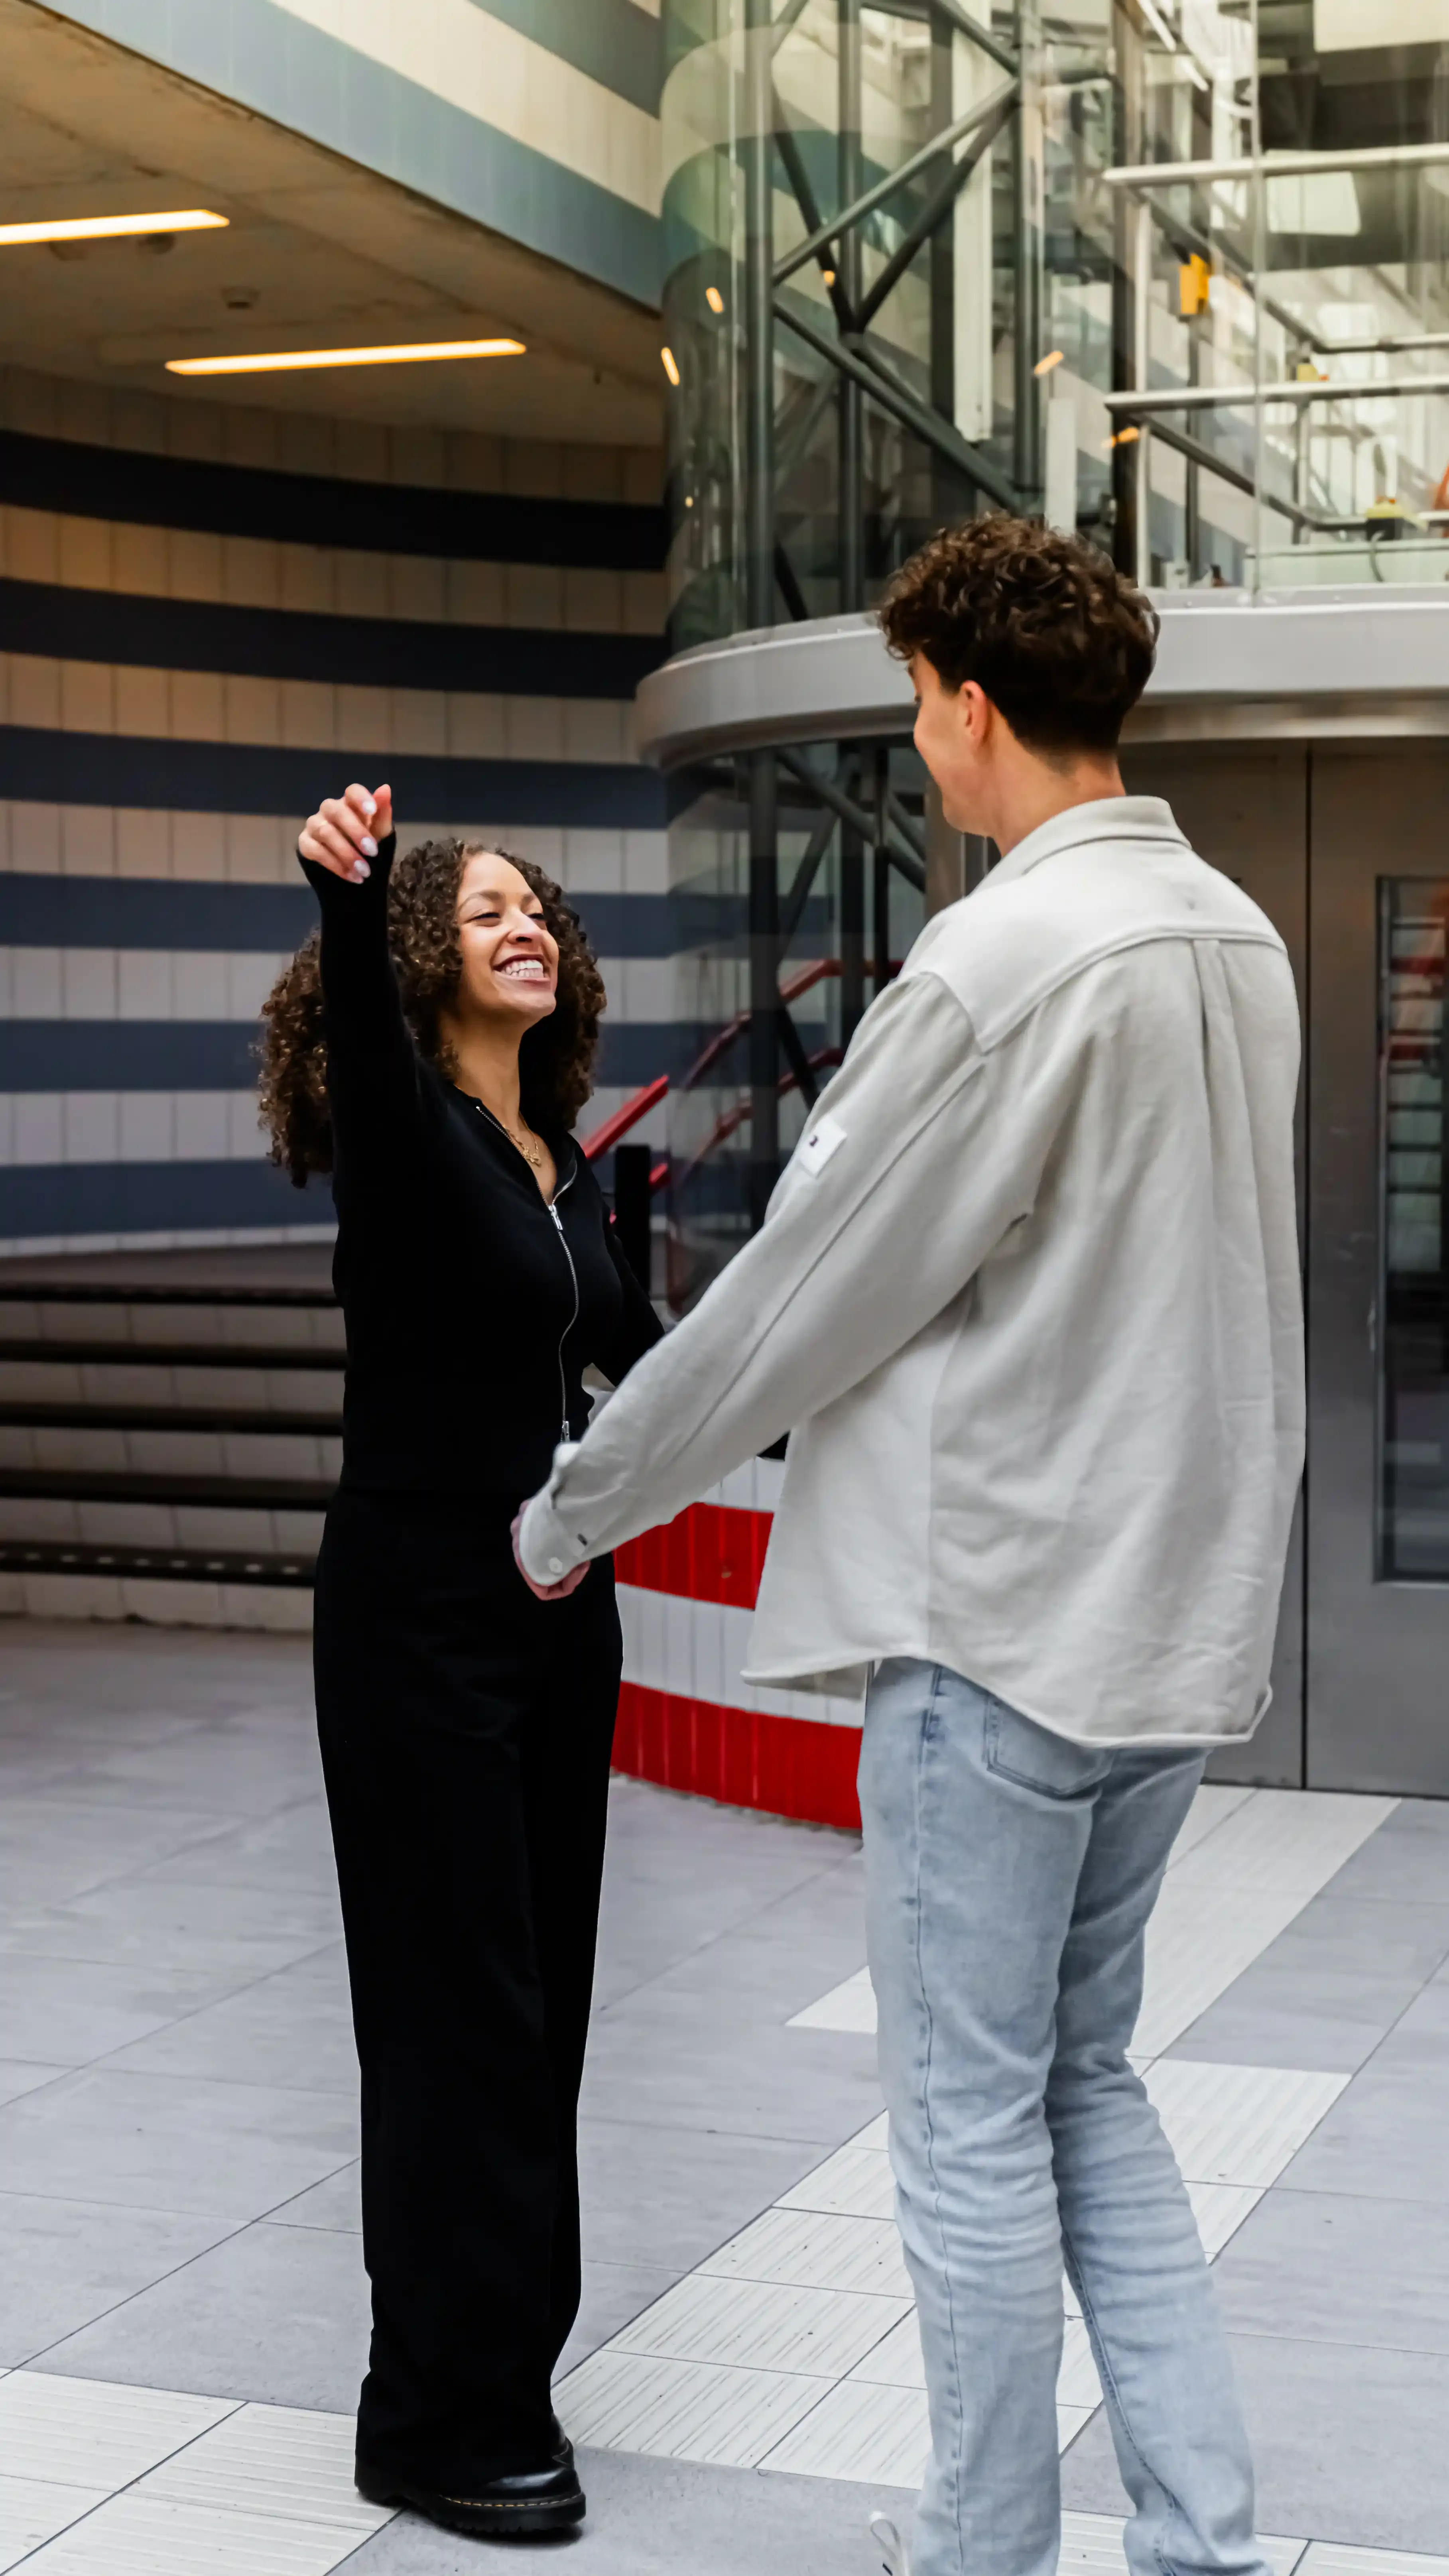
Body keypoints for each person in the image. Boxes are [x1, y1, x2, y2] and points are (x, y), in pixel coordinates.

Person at [516, 518, 1303, 2576]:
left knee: (963, 2126)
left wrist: (577, 1505)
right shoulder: (1232, 934)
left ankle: (977, 2553)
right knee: (1087, 2092)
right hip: (1164, 1627)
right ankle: (1200, 2545)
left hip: (997, 1625)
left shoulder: (999, 961)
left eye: (914, 711)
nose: (918, 750)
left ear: (967, 702)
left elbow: (799, 1291)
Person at [258, 783, 661, 2542]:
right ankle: (431, 2413)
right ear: (427, 954)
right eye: (480, 907)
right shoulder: (409, 1130)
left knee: (543, 2012)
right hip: (419, 1616)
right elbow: (353, 1013)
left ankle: (502, 2368)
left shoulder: (562, 1166)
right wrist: (348, 893)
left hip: (556, 1622)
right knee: (455, 2020)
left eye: (538, 910)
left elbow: (657, 1371)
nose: (523, 926)